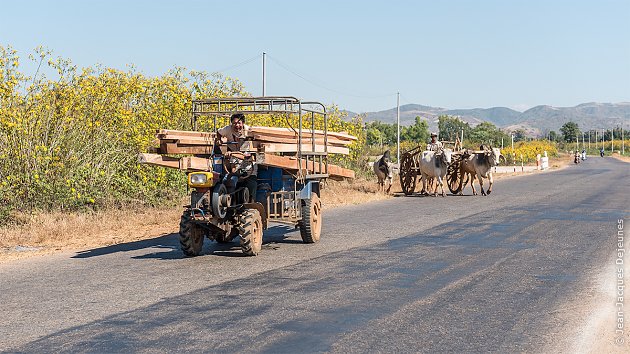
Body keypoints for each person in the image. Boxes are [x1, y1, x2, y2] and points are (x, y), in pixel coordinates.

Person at [217, 113, 257, 202]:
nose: (237, 125)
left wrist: (249, 154)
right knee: (230, 179)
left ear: (243, 124)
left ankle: (250, 202)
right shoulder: (227, 129)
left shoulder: (248, 131)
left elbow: (253, 150)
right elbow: (218, 132)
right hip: (234, 158)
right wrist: (219, 140)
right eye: (234, 123)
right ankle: (231, 201)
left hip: (248, 161)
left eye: (239, 123)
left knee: (251, 183)